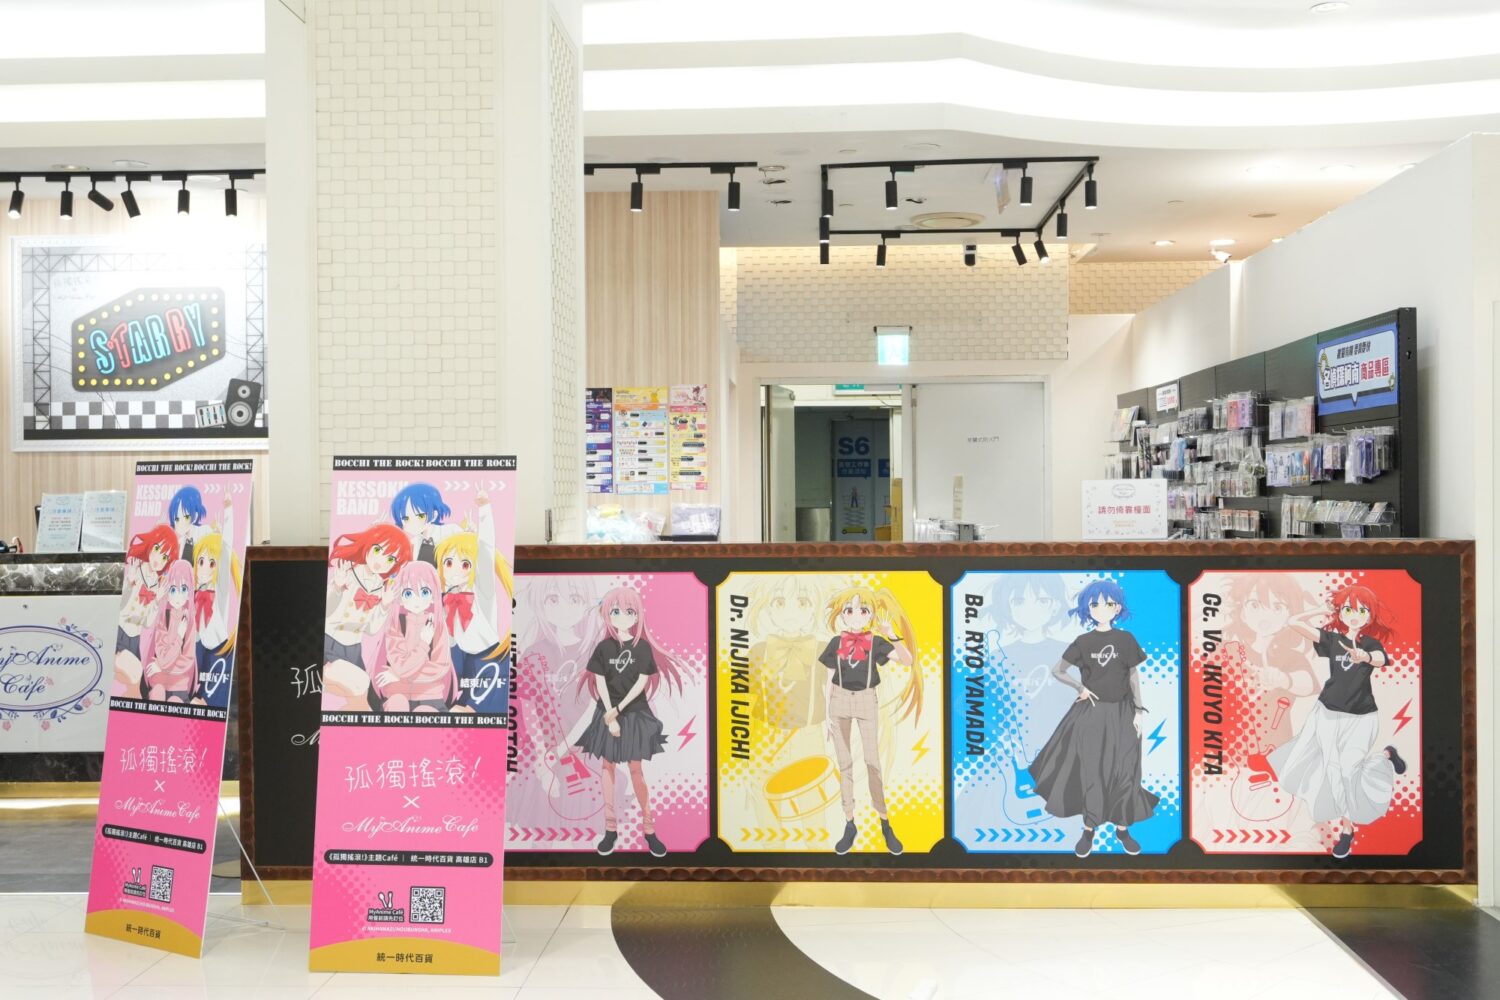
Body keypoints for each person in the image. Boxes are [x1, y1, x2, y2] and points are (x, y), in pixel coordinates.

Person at [1269, 583, 1408, 858]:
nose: (1355, 616)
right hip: (1327, 714)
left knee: (1348, 771)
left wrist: (1364, 656)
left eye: (1362, 611)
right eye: (1348, 609)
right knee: (1335, 772)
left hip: (1362, 717)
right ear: (1341, 613)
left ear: (1370, 615)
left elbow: (1381, 659)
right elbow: (1293, 622)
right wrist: (1320, 610)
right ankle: (1348, 829)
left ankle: (1386, 756)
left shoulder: (1370, 643)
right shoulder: (1332, 640)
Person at [1029, 578, 1157, 858]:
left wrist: (1138, 710)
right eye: (1095, 604)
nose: (1102, 608)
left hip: (1123, 712)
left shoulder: (1126, 639)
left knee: (1126, 771)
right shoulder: (1083, 642)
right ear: (1087, 608)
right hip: (1092, 714)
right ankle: (1089, 830)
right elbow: (1058, 670)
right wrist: (1080, 688)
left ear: (1117, 607)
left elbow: (1133, 676)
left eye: (1108, 603)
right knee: (1092, 772)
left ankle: (1122, 829)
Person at [572, 586, 686, 858]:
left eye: (629, 611)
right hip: (607, 712)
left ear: (637, 616)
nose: (622, 617)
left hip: (634, 714)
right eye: (615, 611)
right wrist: (609, 714)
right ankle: (610, 829)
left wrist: (618, 710)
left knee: (636, 770)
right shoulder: (603, 648)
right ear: (607, 614)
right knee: (607, 767)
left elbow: (641, 683)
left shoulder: (642, 647)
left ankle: (649, 829)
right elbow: (600, 682)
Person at [819, 586, 921, 856]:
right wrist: (826, 715)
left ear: (871, 615)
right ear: (842, 614)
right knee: (844, 764)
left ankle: (884, 822)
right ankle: (849, 822)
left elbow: (907, 661)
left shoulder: (876, 642)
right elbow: (828, 680)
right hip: (839, 701)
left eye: (863, 610)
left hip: (866, 699)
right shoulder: (836, 642)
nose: (855, 616)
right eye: (849, 610)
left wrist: (892, 635)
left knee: (872, 761)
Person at [436, 491, 512, 714]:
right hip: (463, 664)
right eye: (448, 563)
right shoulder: (444, 597)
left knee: (468, 718)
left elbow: (486, 551)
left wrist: (485, 510)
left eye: (465, 564)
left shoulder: (482, 592)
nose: (454, 570)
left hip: (491, 663)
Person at [322, 525, 412, 710]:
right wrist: (337, 588)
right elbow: (327, 612)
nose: (381, 561)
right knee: (360, 683)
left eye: (390, 558)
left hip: (354, 648)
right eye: (378, 550)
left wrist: (384, 605)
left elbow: (371, 630)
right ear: (368, 546)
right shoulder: (347, 572)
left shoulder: (381, 586)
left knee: (370, 702)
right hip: (330, 643)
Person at [367, 562, 457, 712]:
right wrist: (423, 644)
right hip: (396, 694)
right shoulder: (395, 624)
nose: (416, 600)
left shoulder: (438, 626)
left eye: (424, 592)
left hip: (430, 695)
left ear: (433, 596)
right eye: (408, 593)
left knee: (426, 712)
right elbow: (399, 665)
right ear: (400, 598)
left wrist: (400, 676)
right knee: (397, 705)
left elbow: (439, 667)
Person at [114, 525, 178, 697]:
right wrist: (130, 583)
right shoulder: (135, 569)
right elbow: (121, 607)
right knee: (131, 675)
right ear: (150, 545)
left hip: (135, 637)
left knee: (141, 688)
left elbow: (148, 623)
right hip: (120, 631)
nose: (158, 559)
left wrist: (156, 601)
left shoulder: (157, 584)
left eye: (164, 557)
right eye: (157, 549)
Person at [191, 497, 241, 708]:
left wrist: (228, 511)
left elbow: (226, 550)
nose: (204, 568)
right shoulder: (193, 589)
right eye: (201, 562)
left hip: (219, 652)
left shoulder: (220, 591)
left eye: (211, 563)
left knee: (211, 707)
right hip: (199, 649)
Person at [141, 560, 198, 702]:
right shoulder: (163, 617)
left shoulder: (189, 621)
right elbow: (162, 655)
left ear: (189, 592)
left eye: (183, 589)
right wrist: (179, 637)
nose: (178, 596)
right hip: (158, 681)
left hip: (179, 684)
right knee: (157, 695)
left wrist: (161, 666)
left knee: (176, 703)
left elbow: (187, 660)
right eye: (173, 590)